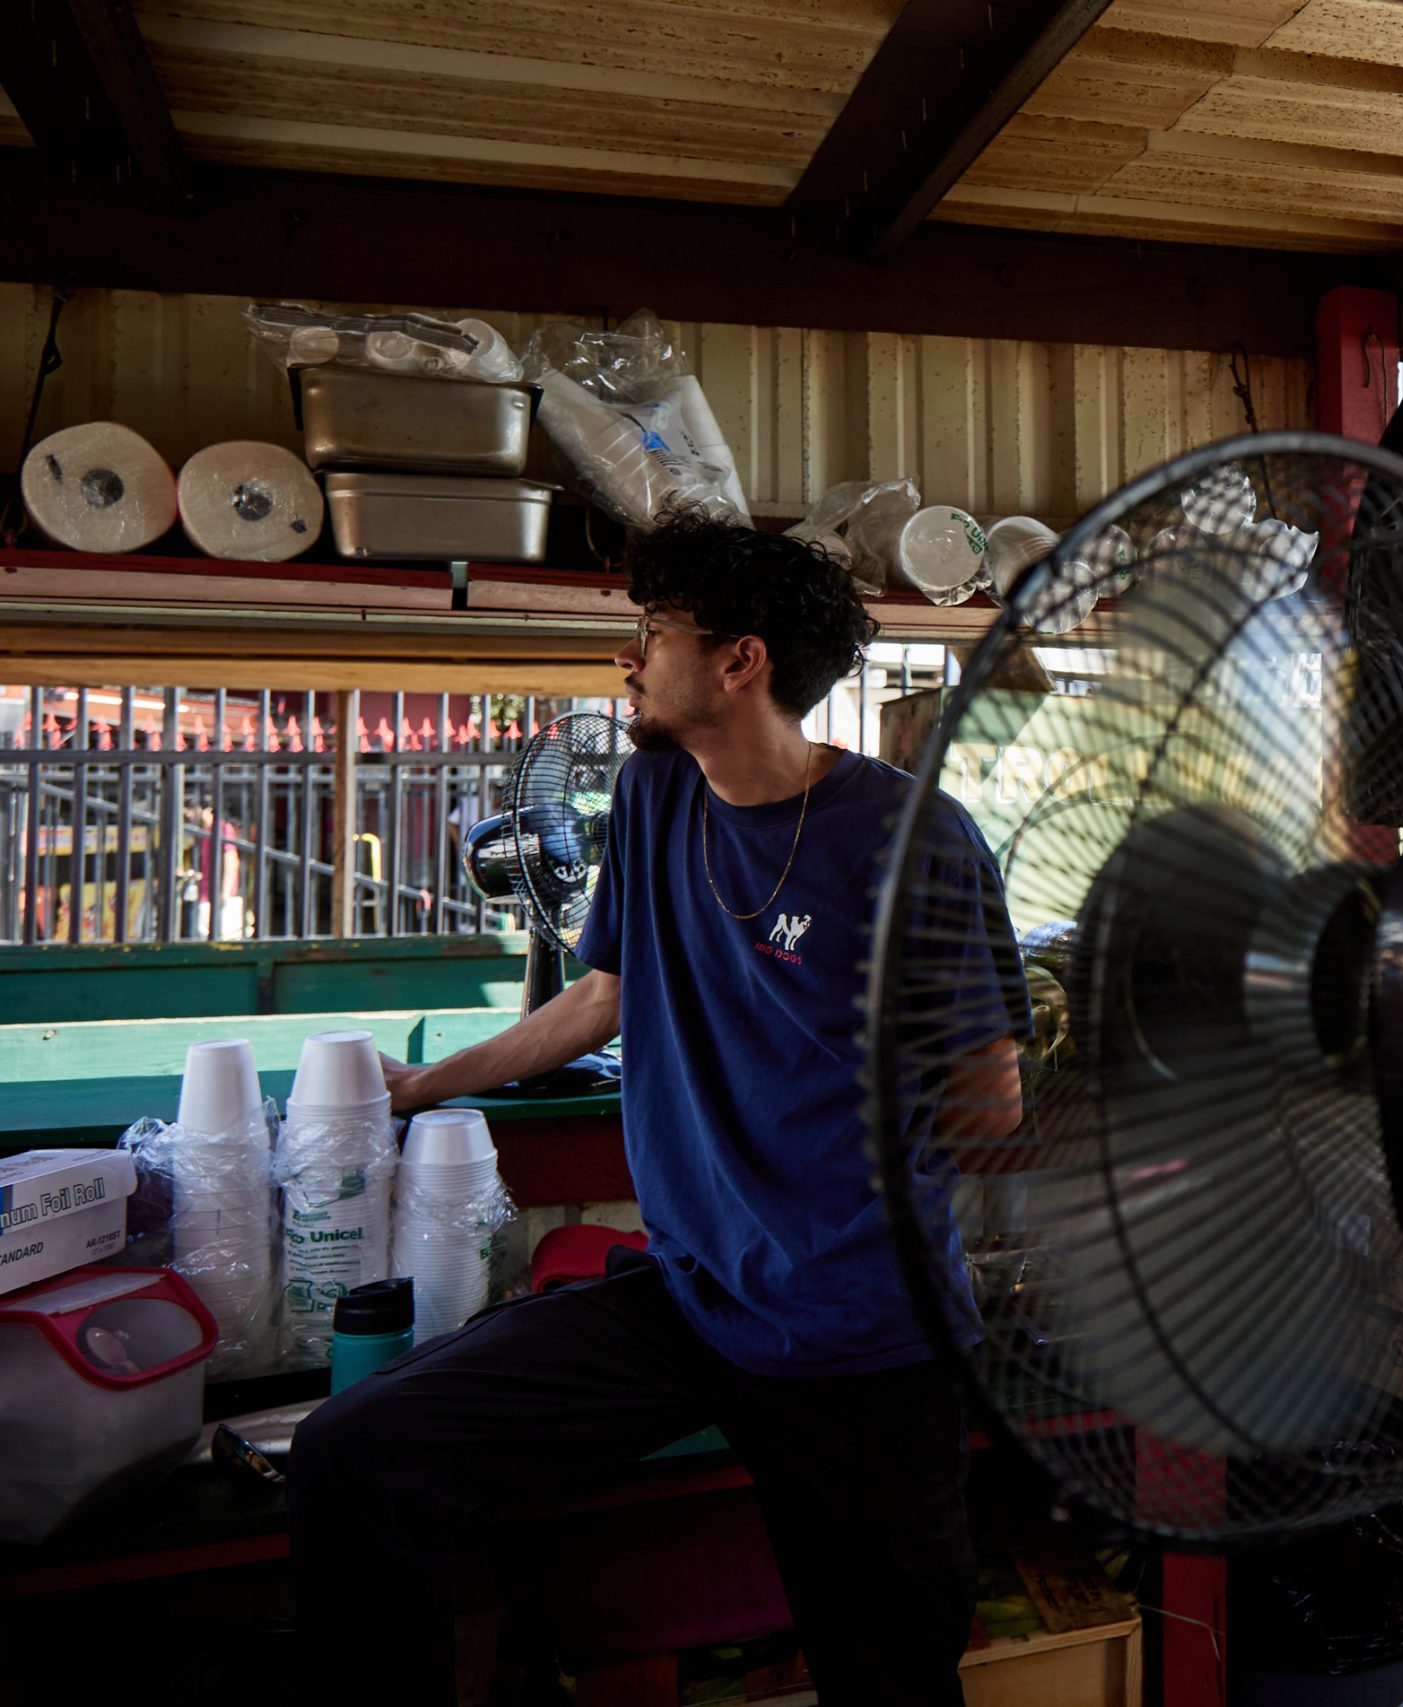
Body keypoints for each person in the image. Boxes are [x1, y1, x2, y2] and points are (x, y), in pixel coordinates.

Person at [287, 515, 1028, 1706]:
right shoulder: (653, 793)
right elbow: (599, 999)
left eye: (651, 634)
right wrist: (421, 1087)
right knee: (357, 1453)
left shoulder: (909, 840)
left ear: (741, 661)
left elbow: (989, 1102)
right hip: (692, 1293)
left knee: (889, 1669)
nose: (625, 658)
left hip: (861, 1334)